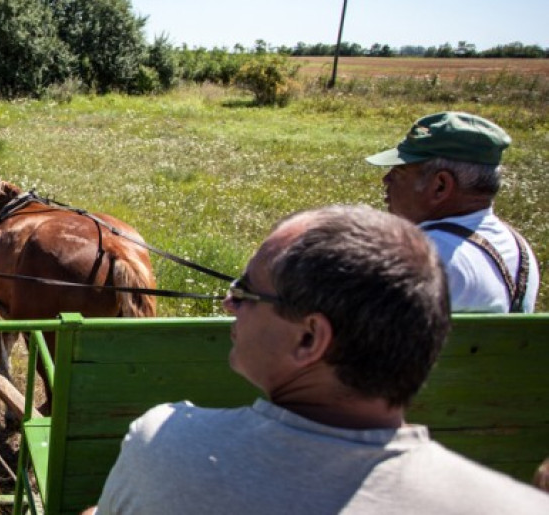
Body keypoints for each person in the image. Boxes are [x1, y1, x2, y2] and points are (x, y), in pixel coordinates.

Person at [93, 205, 549, 514]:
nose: (230, 304)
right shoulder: (516, 505)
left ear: (309, 339)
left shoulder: (162, 446)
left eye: (246, 292)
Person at [366, 111, 539, 312]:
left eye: (399, 172)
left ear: (440, 186)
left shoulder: (425, 259)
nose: (386, 179)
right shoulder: (519, 248)